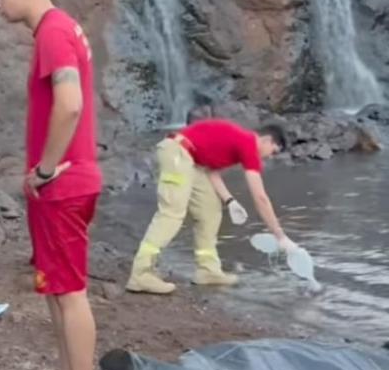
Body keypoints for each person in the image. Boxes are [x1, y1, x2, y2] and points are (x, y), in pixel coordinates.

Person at [0, 0, 103, 370]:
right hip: (70, 179)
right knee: (58, 287)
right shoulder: (62, 29)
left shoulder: (55, 32)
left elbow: (71, 105)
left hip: (65, 182)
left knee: (71, 290)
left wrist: (45, 168)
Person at [125, 118, 293, 295]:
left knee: (210, 212)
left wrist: (230, 201)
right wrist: (280, 236)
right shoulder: (249, 144)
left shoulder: (239, 142)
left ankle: (207, 271)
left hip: (193, 161)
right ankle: (141, 273)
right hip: (177, 153)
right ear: (266, 140)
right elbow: (260, 197)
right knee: (171, 214)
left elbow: (211, 171)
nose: (269, 157)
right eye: (273, 151)